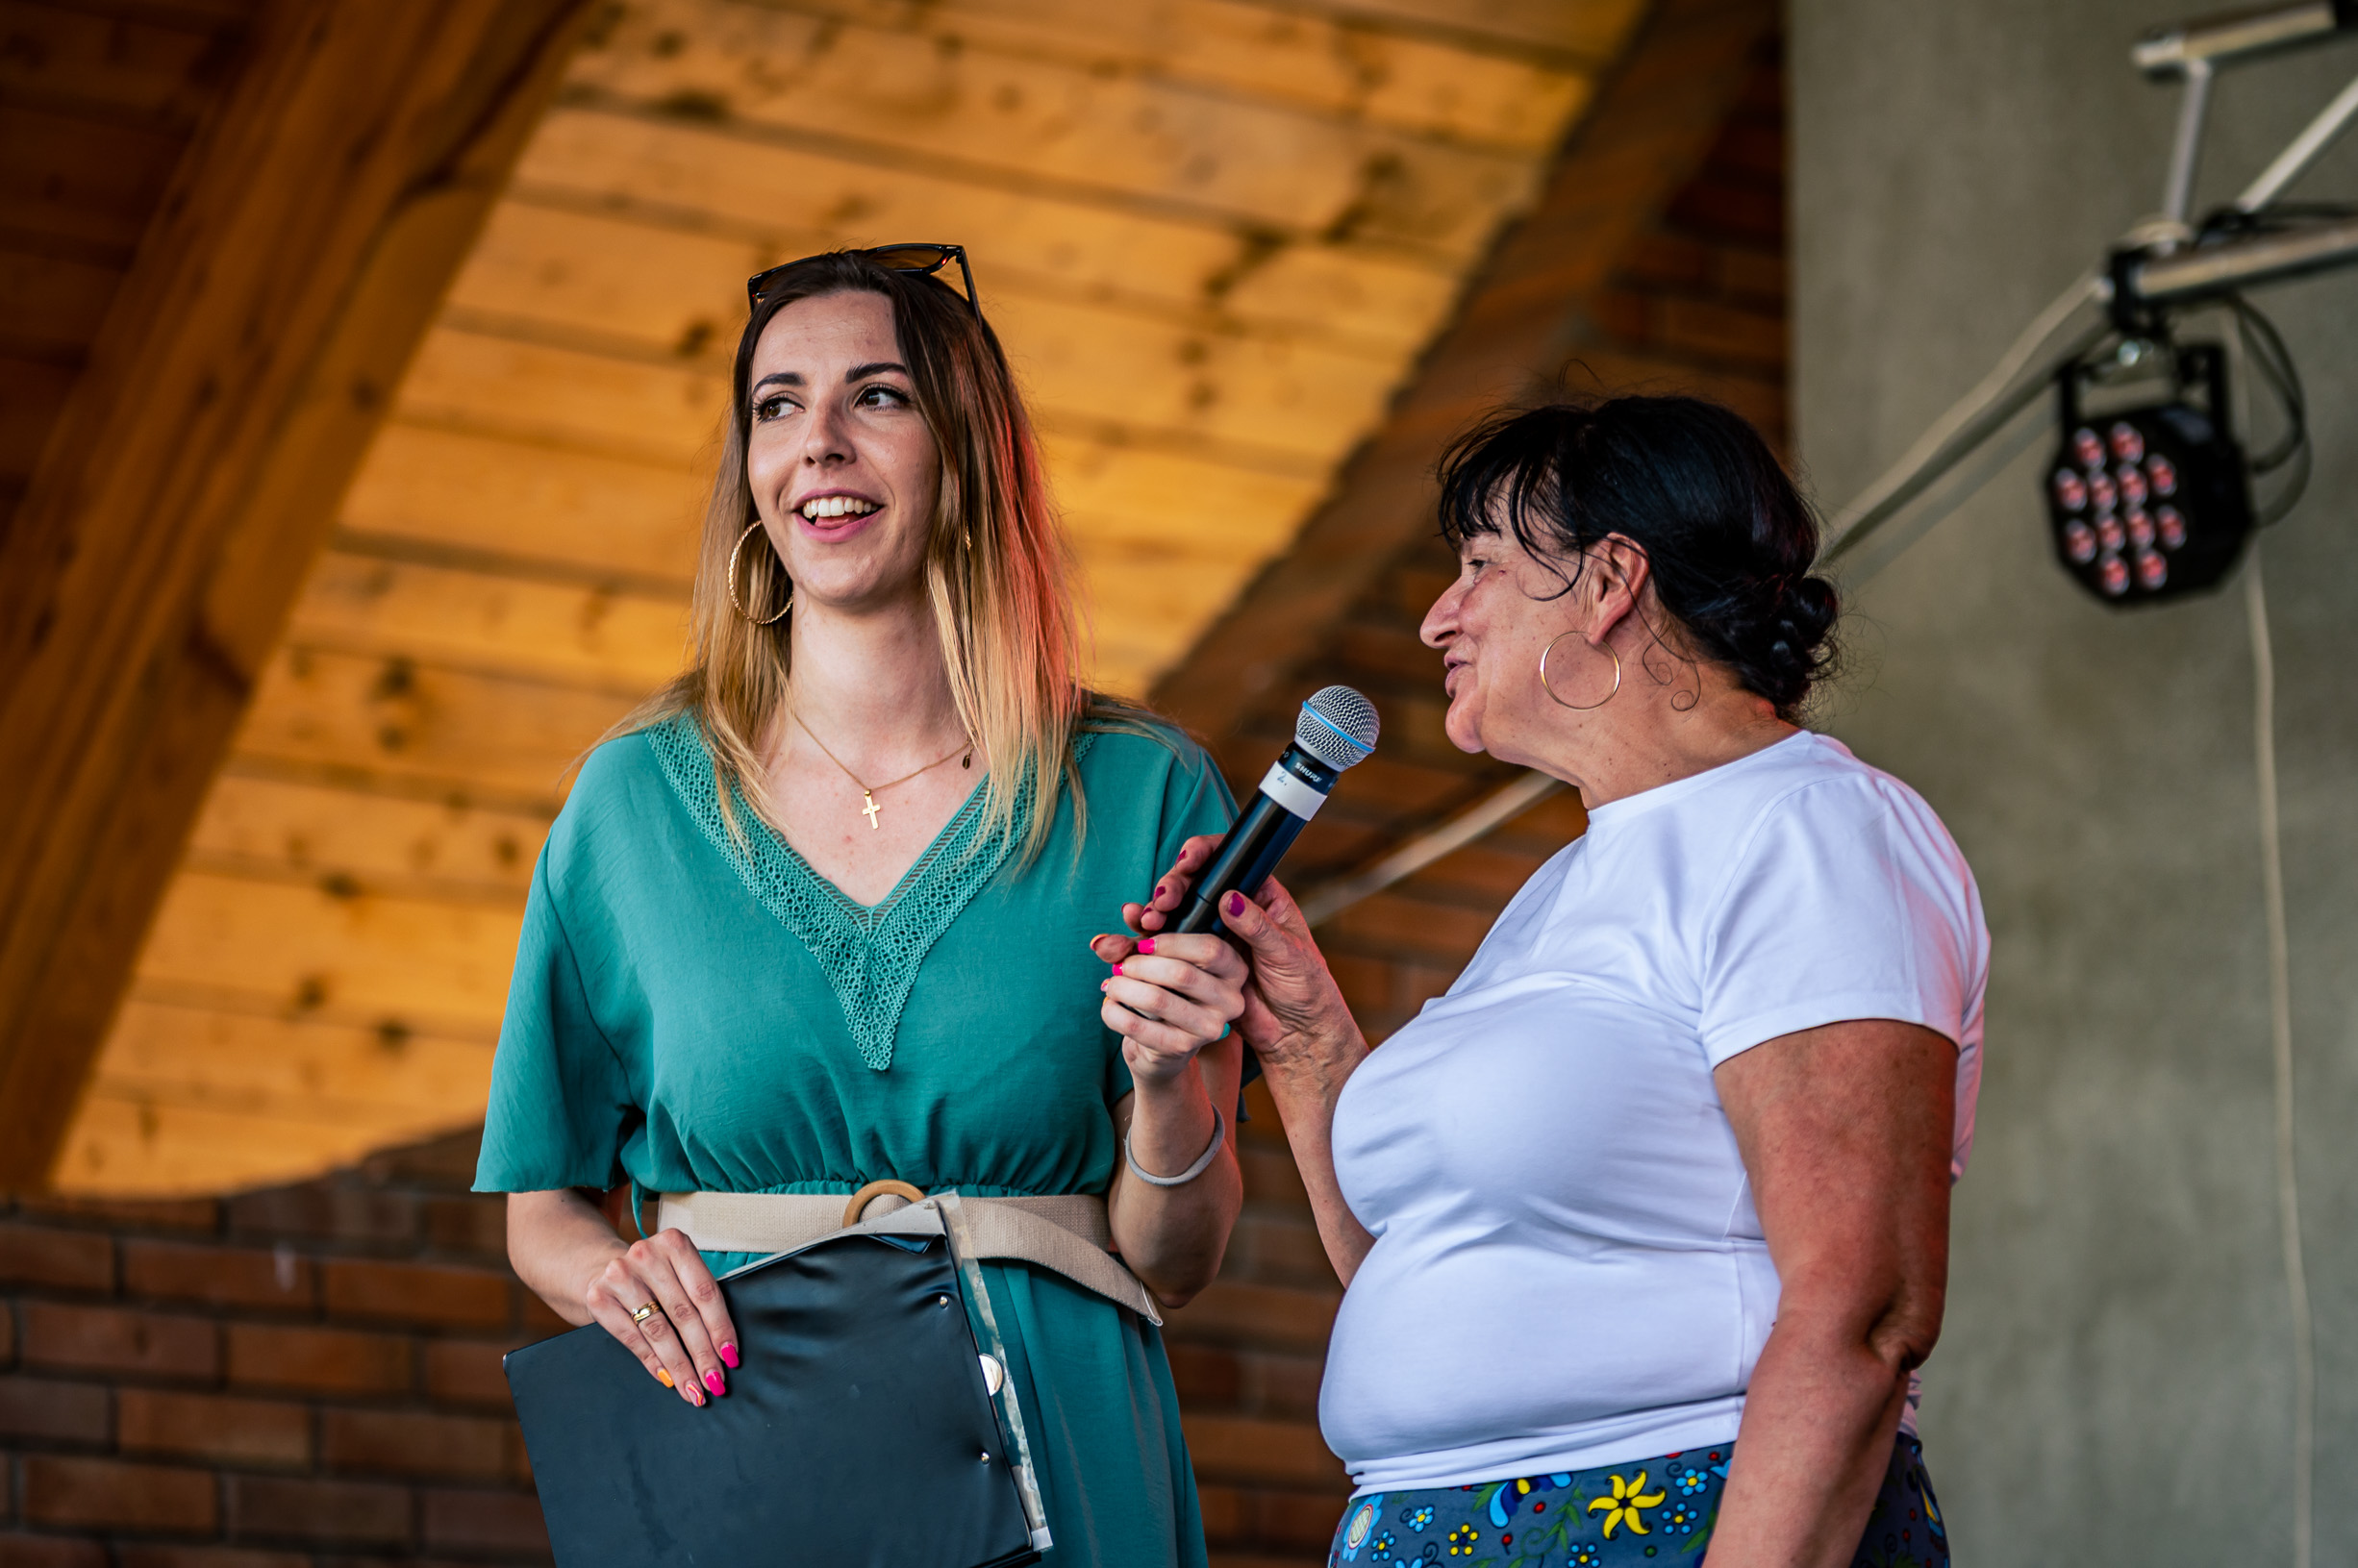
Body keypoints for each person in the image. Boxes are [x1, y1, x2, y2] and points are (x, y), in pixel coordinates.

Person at [474, 246, 1254, 1568]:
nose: (817, 443)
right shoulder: (630, 802)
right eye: (777, 405)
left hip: (1061, 1443)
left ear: (969, 454)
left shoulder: (1147, 792)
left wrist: (1169, 1081)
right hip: (743, 1456)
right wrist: (610, 1273)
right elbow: (541, 1202)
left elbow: (1174, 1257)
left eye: (876, 396)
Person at [1108, 397, 1988, 1568]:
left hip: (1667, 1511)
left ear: (1612, 579)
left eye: (1479, 564)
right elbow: (1447, 1257)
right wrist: (1305, 1034)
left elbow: (1864, 1308)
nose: (1438, 616)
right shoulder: (1562, 884)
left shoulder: (1808, 828)